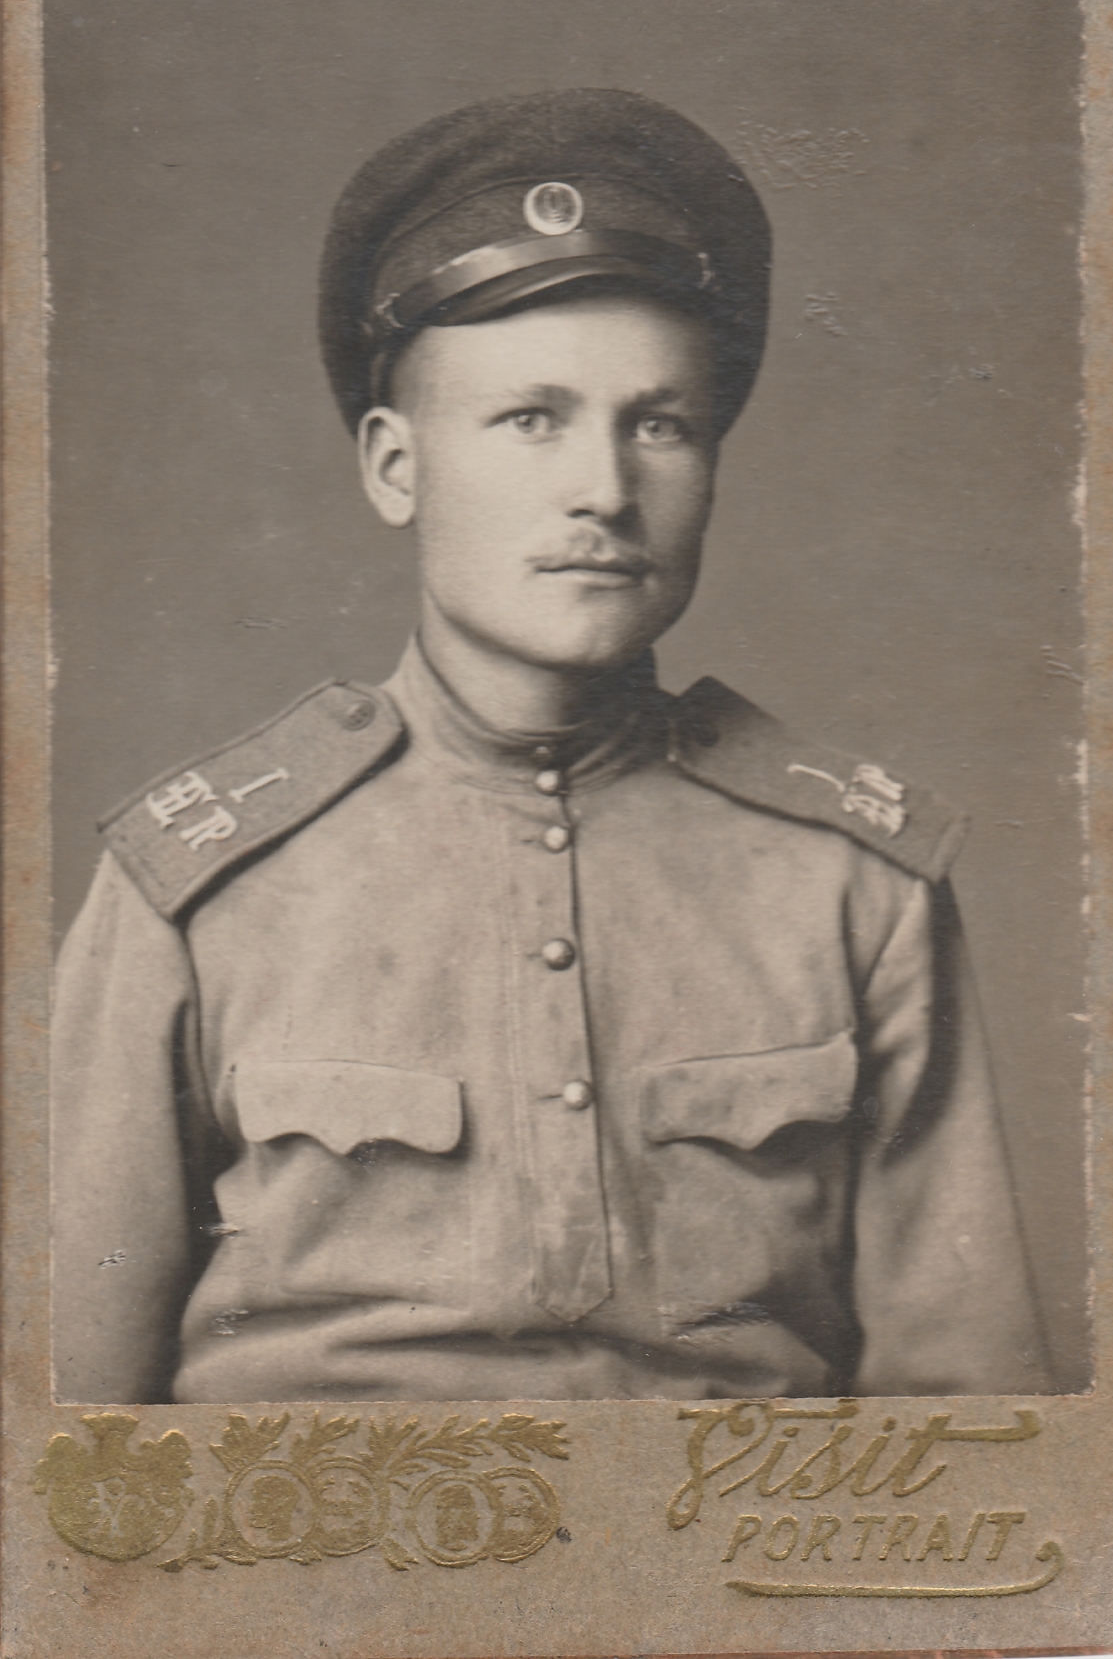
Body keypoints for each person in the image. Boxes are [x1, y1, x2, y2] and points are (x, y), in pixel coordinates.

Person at [52, 89, 1050, 1404]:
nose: (604, 490)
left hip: (744, 1540)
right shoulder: (196, 887)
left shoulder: (856, 885)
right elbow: (55, 1438)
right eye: (531, 418)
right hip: (302, 1541)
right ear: (395, 466)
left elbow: (973, 1425)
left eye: (660, 424)